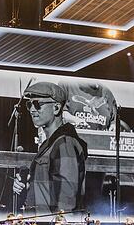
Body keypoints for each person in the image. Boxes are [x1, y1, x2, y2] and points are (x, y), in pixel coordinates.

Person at [12, 82, 88, 215]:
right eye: (29, 104)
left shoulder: (64, 143)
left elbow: (66, 202)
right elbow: (46, 190)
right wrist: (27, 186)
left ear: (56, 108)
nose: (32, 110)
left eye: (38, 104)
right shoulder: (51, 144)